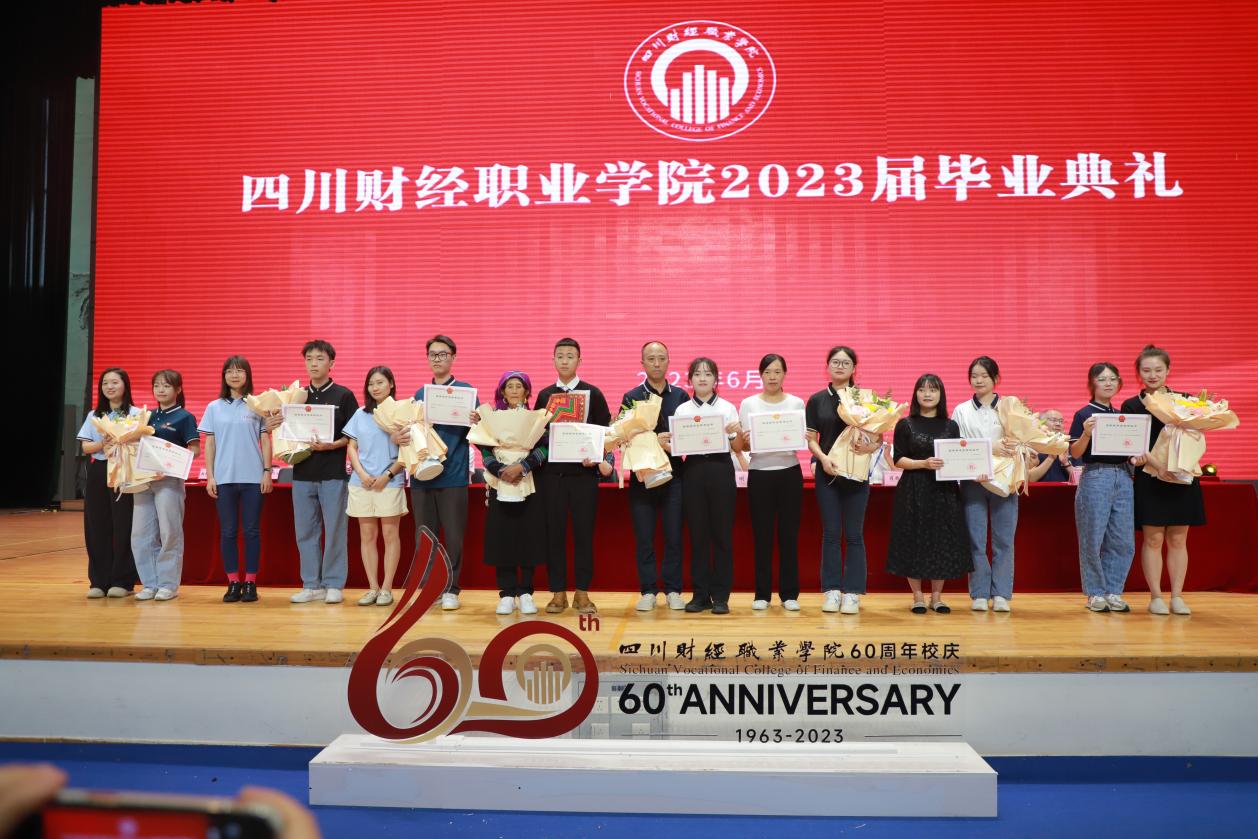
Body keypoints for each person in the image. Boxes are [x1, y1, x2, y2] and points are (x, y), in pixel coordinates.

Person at [267, 340, 358, 605]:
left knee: (335, 530)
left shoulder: (343, 395)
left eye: (319, 358)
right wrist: (273, 422)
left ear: (331, 363)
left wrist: (332, 445)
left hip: (333, 473)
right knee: (305, 531)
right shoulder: (296, 396)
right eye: (309, 359)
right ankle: (311, 584)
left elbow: (354, 436)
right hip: (302, 474)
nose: (314, 363)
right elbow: (283, 432)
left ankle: (333, 583)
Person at [393, 335, 475, 611]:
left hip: (453, 475)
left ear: (453, 357)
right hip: (422, 475)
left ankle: (451, 588)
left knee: (453, 535)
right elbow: (410, 430)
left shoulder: (465, 392)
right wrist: (398, 435)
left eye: (443, 354)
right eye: (433, 354)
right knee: (425, 536)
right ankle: (429, 588)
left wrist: (477, 420)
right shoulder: (420, 395)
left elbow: (476, 432)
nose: (437, 359)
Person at [1121, 344, 1205, 616]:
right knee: (1154, 539)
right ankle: (1156, 596)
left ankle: (1177, 596)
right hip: (1150, 478)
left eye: (1158, 369)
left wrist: (1177, 467)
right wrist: (1158, 467)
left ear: (1168, 370)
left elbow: (1194, 437)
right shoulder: (1132, 405)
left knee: (1179, 539)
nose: (1153, 375)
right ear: (1139, 373)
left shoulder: (1185, 401)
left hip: (1181, 476)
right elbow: (1133, 443)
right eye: (1146, 370)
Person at [532, 338, 613, 615]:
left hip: (583, 476)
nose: (565, 360)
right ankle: (557, 593)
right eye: (560, 356)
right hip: (551, 477)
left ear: (580, 360)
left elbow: (605, 434)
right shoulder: (544, 396)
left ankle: (582, 592)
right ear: (553, 360)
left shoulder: (593, 394)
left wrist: (599, 457)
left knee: (583, 534)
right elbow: (537, 435)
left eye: (570, 356)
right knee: (553, 534)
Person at [885, 374, 971, 613]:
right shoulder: (905, 424)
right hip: (913, 489)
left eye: (933, 390)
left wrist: (974, 468)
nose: (927, 394)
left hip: (944, 491)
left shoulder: (951, 426)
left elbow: (958, 458)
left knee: (941, 541)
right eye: (922, 390)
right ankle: (917, 597)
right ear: (916, 394)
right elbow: (898, 459)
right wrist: (923, 463)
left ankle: (937, 597)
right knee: (913, 540)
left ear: (941, 394)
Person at [805, 346, 879, 614]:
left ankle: (853, 593)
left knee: (855, 534)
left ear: (853, 368)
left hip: (857, 475)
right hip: (828, 473)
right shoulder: (817, 400)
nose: (840, 366)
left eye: (845, 363)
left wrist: (869, 447)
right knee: (831, 533)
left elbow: (878, 438)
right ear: (827, 366)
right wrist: (822, 459)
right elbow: (811, 439)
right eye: (835, 362)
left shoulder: (865, 399)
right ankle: (832, 591)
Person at [667, 357, 743, 614]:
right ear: (690, 379)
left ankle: (721, 596)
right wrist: (666, 443)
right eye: (697, 374)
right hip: (694, 471)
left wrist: (734, 433)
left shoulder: (727, 408)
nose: (702, 378)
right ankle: (700, 595)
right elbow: (678, 449)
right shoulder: (682, 410)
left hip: (721, 469)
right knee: (698, 535)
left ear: (715, 379)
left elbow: (737, 447)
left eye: (708, 374)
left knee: (722, 535)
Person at [621, 341, 689, 612]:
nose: (657, 363)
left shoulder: (681, 397)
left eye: (661, 358)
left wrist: (669, 444)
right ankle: (648, 590)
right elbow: (623, 435)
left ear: (669, 361)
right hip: (642, 478)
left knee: (674, 536)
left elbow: (687, 436)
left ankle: (673, 590)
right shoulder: (631, 396)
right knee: (644, 538)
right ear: (643, 363)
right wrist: (653, 440)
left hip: (675, 476)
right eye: (651, 358)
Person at [200, 356, 272, 603]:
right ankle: (233, 582)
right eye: (229, 371)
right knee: (228, 532)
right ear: (224, 376)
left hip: (253, 478)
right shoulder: (214, 407)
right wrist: (210, 476)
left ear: (247, 376)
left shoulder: (257, 405)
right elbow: (209, 444)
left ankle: (250, 582)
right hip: (224, 478)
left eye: (239, 371)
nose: (234, 375)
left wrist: (267, 471)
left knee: (251, 531)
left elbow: (265, 440)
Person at [477, 372, 549, 616]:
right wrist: (501, 470)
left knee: (528, 536)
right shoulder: (491, 419)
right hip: (500, 483)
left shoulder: (537, 418)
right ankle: (507, 593)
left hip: (528, 482)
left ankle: (526, 592)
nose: (515, 390)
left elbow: (545, 447)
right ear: (503, 392)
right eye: (510, 386)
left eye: (520, 386)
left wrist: (524, 466)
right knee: (503, 537)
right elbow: (484, 449)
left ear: (527, 392)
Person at [952, 356, 1019, 613]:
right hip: (973, 481)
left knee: (1004, 540)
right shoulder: (961, 410)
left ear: (996, 379)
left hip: (1004, 481)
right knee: (975, 539)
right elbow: (958, 445)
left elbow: (1020, 441)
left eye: (984, 376)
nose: (978, 380)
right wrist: (989, 449)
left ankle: (1001, 594)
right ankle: (979, 593)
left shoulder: (1010, 408)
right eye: (974, 376)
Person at [1070, 362, 1139, 613]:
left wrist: (1136, 457)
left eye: (1112, 379)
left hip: (1124, 476)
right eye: (1102, 379)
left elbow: (1130, 452)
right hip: (1096, 476)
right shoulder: (1084, 414)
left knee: (1122, 539)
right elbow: (1074, 453)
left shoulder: (1122, 416)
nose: (1108, 383)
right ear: (1092, 383)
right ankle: (1095, 593)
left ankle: (1113, 591)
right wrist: (1086, 434)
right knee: (1092, 537)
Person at [738, 354, 805, 611]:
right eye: (767, 372)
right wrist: (745, 440)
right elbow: (743, 446)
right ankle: (762, 594)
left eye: (777, 371)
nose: (772, 376)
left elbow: (801, 437)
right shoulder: (748, 403)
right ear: (760, 375)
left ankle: (789, 594)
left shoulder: (796, 403)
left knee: (789, 534)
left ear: (784, 374)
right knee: (762, 535)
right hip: (759, 473)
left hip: (789, 472)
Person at [131, 369, 199, 601]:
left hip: (169, 481)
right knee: (140, 534)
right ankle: (149, 584)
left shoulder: (185, 417)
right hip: (143, 480)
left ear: (178, 389)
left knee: (169, 532)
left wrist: (169, 460)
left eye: (166, 385)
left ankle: (168, 585)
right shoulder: (145, 416)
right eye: (157, 385)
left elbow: (195, 450)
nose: (160, 390)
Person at [344, 367, 407, 607]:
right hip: (362, 483)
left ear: (391, 384)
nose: (375, 387)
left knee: (390, 535)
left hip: (389, 483)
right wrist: (361, 473)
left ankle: (387, 589)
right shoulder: (360, 414)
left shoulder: (402, 413)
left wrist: (388, 475)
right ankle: (373, 587)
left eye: (380, 382)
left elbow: (408, 451)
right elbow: (351, 447)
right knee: (367, 536)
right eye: (371, 384)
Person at [76, 368, 141, 598]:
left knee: (124, 524)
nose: (109, 387)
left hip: (125, 469)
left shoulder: (136, 413)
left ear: (125, 385)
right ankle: (98, 581)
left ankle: (123, 581)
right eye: (105, 383)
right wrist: (103, 443)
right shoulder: (94, 415)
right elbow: (86, 447)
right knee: (97, 525)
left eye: (115, 382)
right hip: (100, 469)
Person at [1029, 409, 1074, 482]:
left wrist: (1066, 464)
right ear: (1041, 423)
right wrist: (1051, 458)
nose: (1058, 424)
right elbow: (1030, 479)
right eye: (1053, 420)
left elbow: (1080, 479)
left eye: (1061, 421)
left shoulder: (1070, 446)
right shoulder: (1033, 446)